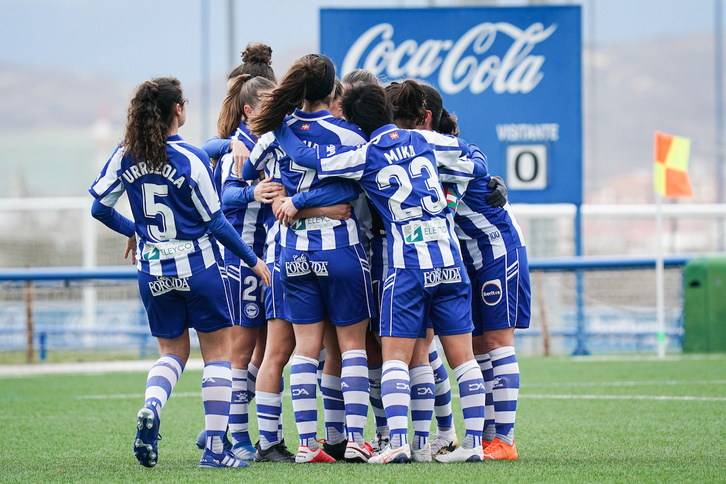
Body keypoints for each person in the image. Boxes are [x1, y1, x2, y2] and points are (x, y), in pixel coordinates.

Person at [273, 81, 487, 464]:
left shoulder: (364, 154)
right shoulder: (424, 139)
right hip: (450, 260)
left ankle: (399, 443)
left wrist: (277, 125)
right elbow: (476, 163)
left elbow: (311, 161)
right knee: (462, 359)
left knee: (394, 359)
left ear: (355, 121)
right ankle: (472, 445)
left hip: (408, 267)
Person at [89, 77, 270, 469]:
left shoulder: (124, 156)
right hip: (199, 269)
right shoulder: (191, 158)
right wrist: (253, 261)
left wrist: (136, 230)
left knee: (172, 353)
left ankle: (152, 405)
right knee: (218, 355)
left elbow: (99, 208)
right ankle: (216, 453)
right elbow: (217, 223)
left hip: (153, 273)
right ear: (177, 111)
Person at [247, 54, 374, 464]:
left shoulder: (273, 133)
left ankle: (305, 445)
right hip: (340, 249)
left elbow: (247, 171)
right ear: (332, 90)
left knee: (305, 348)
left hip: (291, 255)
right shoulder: (351, 136)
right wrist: (311, 203)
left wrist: (290, 201)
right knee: (351, 346)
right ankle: (354, 438)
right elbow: (350, 192)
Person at [425, 89, 529, 461]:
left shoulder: (450, 153)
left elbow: (461, 184)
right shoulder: (438, 154)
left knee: (497, 341)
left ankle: (504, 438)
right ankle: (488, 438)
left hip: (496, 251)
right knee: (480, 344)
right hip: (470, 256)